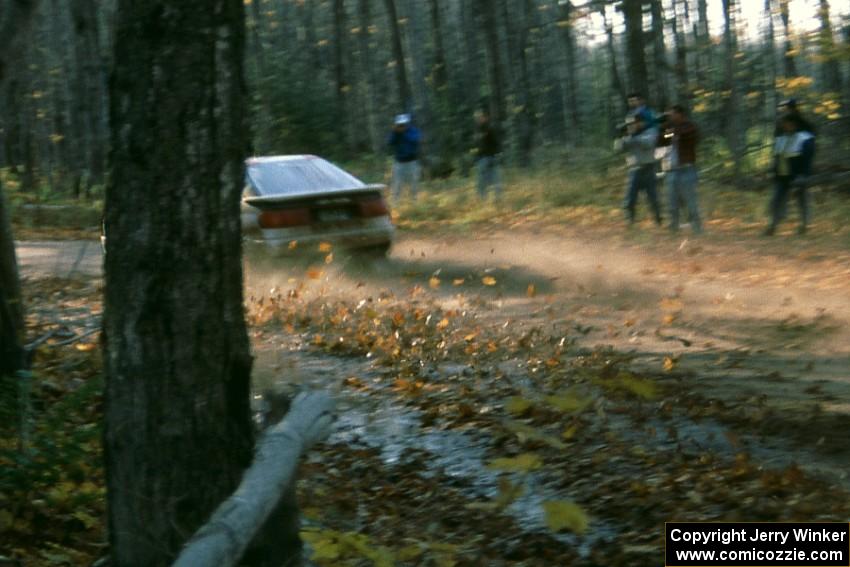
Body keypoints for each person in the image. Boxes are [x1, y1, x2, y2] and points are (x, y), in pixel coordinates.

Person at [765, 114, 815, 236]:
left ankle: (804, 225)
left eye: (787, 123)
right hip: (782, 176)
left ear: (794, 124)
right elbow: (777, 158)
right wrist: (773, 172)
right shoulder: (780, 139)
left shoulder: (804, 138)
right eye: (784, 124)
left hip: (797, 175)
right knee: (776, 200)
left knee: (801, 200)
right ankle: (773, 225)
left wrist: (803, 175)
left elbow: (807, 159)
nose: (785, 126)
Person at [658, 104, 702, 234]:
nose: (670, 116)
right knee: (672, 201)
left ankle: (697, 228)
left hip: (686, 169)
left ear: (679, 114)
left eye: (672, 114)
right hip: (672, 170)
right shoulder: (670, 130)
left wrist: (670, 130)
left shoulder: (689, 126)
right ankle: (674, 227)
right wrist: (663, 127)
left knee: (690, 200)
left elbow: (685, 135)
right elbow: (661, 140)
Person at [616, 113, 662, 226]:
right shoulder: (629, 135)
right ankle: (630, 221)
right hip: (634, 170)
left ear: (641, 123)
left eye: (633, 123)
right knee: (630, 198)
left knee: (653, 198)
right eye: (628, 124)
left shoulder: (650, 132)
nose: (630, 126)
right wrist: (619, 137)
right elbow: (618, 149)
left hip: (648, 169)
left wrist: (633, 137)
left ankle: (658, 221)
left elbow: (648, 143)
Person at [387, 114, 421, 201]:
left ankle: (415, 203)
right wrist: (395, 132)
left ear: (407, 123)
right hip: (399, 162)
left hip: (412, 161)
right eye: (399, 124)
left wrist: (403, 133)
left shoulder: (413, 131)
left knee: (414, 183)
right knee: (397, 184)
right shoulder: (395, 133)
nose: (401, 126)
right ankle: (395, 203)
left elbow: (415, 140)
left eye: (403, 124)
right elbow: (390, 142)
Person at [474, 109, 503, 201]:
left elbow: (496, 142)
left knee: (495, 179)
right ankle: (483, 199)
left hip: (490, 157)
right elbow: (477, 145)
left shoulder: (489, 128)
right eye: (477, 118)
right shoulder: (478, 129)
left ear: (485, 117)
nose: (478, 119)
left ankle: (497, 199)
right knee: (482, 180)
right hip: (483, 158)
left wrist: (498, 154)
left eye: (480, 117)